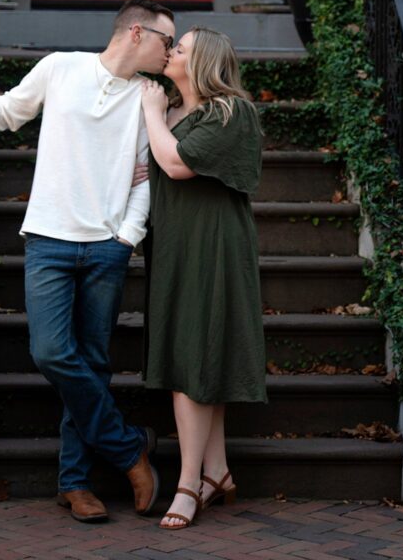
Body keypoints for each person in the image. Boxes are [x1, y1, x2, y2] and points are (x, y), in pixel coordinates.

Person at [0, 0, 176, 524]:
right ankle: (128, 451)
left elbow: (145, 177)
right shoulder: (61, 67)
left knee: (93, 362)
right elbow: (4, 113)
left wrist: (126, 236)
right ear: (138, 33)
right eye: (168, 41)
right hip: (49, 241)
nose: (172, 52)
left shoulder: (150, 96)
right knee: (53, 352)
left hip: (107, 248)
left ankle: (75, 485)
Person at [140, 27, 267, 529]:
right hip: (173, 244)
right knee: (194, 355)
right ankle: (217, 471)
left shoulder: (229, 112)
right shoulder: (173, 110)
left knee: (195, 356)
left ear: (203, 62)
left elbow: (176, 163)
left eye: (182, 48)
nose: (172, 52)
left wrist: (150, 114)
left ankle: (188, 484)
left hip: (212, 244)